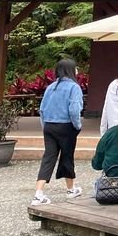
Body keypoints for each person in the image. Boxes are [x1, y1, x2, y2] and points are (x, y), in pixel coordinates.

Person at [31, 58, 85, 206]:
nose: (77, 71)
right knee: (67, 157)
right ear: (70, 70)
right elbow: (74, 109)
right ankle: (70, 190)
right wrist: (77, 125)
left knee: (48, 157)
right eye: (75, 68)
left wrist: (45, 127)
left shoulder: (51, 87)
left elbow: (41, 109)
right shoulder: (74, 87)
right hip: (66, 126)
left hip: (49, 126)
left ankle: (38, 194)